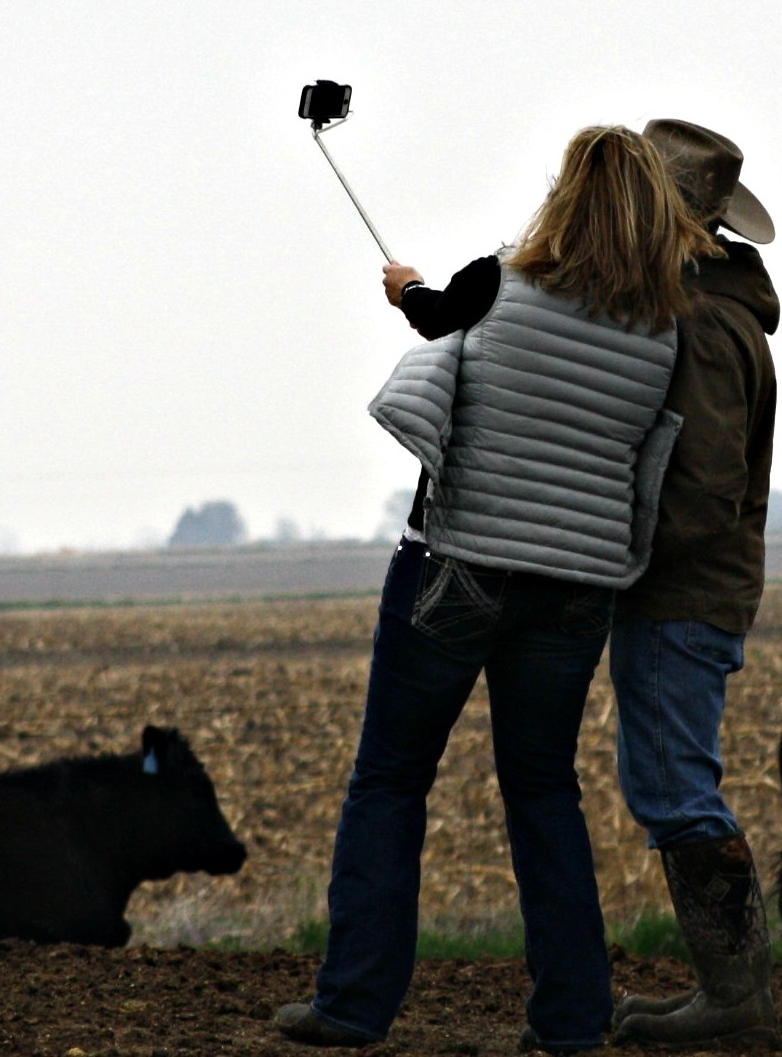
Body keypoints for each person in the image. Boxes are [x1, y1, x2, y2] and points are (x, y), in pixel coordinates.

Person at [275, 125, 719, 1053]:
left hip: (459, 567)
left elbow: (438, 318)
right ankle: (570, 1021)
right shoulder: (662, 331)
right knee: (543, 790)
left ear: (565, 197)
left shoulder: (501, 281)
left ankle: (353, 1004)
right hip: (575, 592)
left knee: (392, 780)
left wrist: (404, 290)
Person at [604, 120, 782, 1049]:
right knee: (674, 783)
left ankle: (734, 997)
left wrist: (616, 557)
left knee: (678, 790)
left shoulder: (707, 330)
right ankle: (732, 990)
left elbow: (705, 490)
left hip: (681, 596)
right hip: (690, 595)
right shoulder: (720, 316)